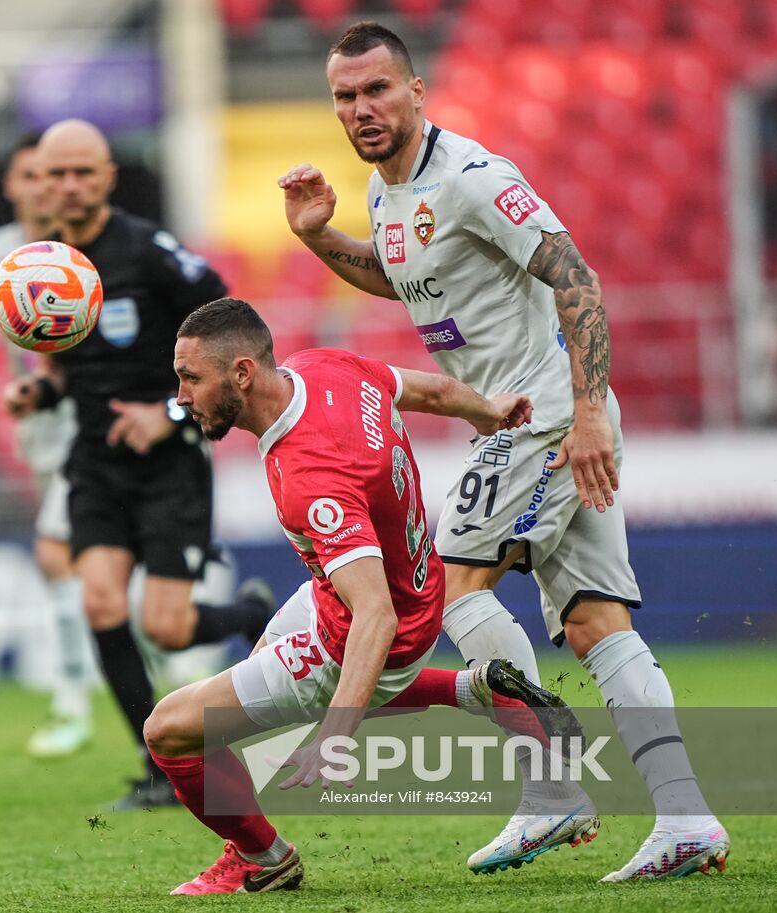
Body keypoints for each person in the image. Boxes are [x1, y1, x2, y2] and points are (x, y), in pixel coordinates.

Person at [278, 21, 728, 881]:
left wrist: (588, 412)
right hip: (525, 418)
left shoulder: (476, 178)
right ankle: (687, 818)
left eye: (377, 90)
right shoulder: (384, 190)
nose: (362, 108)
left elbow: (576, 278)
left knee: (451, 585)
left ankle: (551, 785)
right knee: (597, 619)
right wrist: (316, 237)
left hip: (546, 413)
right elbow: (402, 275)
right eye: (345, 96)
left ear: (417, 92)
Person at [144, 297, 584, 895]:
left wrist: (336, 733)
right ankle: (476, 689)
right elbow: (426, 391)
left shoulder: (312, 477)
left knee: (169, 731)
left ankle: (262, 856)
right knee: (259, 674)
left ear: (242, 373)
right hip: (412, 586)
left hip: (371, 625)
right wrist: (488, 410)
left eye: (191, 378)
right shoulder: (322, 368)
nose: (181, 395)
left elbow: (372, 613)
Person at [5, 119, 277, 809]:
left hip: (170, 463)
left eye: (81, 173)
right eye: (53, 174)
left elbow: (234, 325)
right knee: (97, 599)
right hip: (95, 462)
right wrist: (38, 391)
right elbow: (67, 370)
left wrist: (171, 411)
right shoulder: (43, 267)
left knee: (167, 626)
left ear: (107, 177)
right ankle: (157, 764)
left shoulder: (148, 252)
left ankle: (246, 614)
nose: (67, 185)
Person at [0, 133, 94, 758]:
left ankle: (72, 700)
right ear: (13, 184)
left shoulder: (91, 246)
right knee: (97, 567)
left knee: (56, 553)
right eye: (29, 176)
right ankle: (176, 658)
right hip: (42, 431)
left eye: (50, 174)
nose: (42, 186)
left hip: (102, 423)